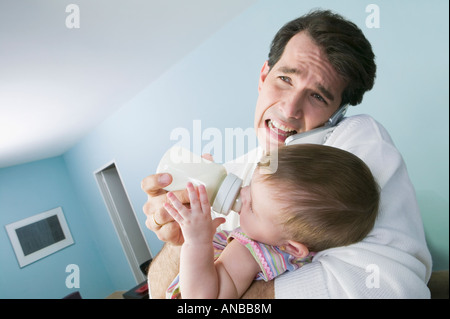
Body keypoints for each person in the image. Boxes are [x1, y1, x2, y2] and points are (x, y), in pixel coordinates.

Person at [141, 9, 432, 298]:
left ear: (337, 114)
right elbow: (161, 292)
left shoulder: (348, 152)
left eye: (318, 96)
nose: (290, 109)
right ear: (263, 76)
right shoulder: (241, 171)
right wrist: (179, 240)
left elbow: (394, 289)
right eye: (285, 79)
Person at [163, 144, 380, 299]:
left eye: (252, 207)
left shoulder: (250, 251)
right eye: (251, 184)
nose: (243, 193)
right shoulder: (289, 240)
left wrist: (197, 242)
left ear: (292, 247)